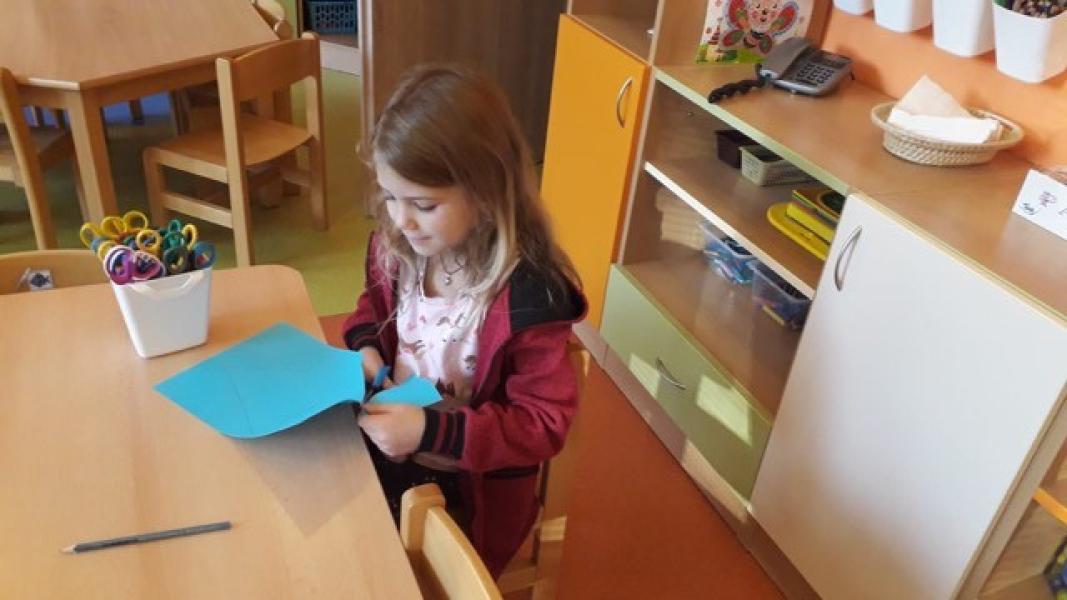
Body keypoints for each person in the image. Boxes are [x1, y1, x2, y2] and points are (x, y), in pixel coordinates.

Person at [341, 64, 586, 576]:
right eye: (390, 196)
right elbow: (371, 308)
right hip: (388, 443)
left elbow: (542, 425)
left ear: (486, 193)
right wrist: (367, 348)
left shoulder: (530, 296)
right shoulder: (400, 248)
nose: (401, 219)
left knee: (375, 571)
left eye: (423, 204)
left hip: (467, 489)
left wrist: (430, 431)